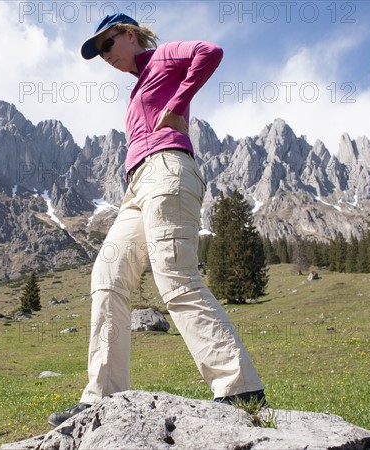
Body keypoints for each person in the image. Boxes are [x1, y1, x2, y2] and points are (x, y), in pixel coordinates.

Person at [48, 13, 265, 427]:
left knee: (175, 277)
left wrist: (179, 101)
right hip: (137, 187)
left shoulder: (163, 56)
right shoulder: (134, 91)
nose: (105, 56)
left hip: (169, 169)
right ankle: (101, 396)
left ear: (129, 34)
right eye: (99, 53)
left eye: (108, 45)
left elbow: (209, 51)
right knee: (107, 276)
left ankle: (239, 388)